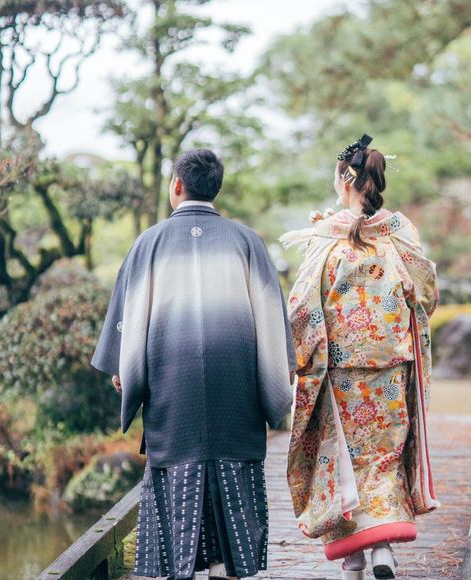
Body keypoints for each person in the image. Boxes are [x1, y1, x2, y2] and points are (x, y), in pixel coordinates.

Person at [91, 148, 296, 580]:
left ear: (177, 185)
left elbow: (129, 326)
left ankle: (180, 568)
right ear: (214, 188)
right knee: (233, 473)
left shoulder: (149, 243)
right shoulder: (247, 242)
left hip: (171, 384)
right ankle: (228, 567)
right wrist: (281, 372)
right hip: (236, 389)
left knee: (176, 472)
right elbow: (273, 326)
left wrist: (125, 373)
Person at [281, 134, 440, 580]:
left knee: (340, 457)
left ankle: (352, 559)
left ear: (345, 179)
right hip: (391, 367)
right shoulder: (399, 233)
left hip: (340, 372)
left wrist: (295, 356)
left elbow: (302, 306)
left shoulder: (325, 237)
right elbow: (426, 293)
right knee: (384, 457)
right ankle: (382, 549)